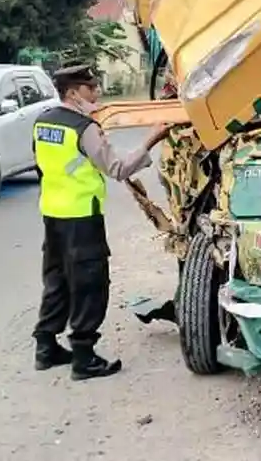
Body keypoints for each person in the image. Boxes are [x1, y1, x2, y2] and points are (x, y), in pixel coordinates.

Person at [32, 64, 171, 380]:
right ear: (73, 93)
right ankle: (84, 358)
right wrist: (151, 140)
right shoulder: (84, 129)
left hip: (53, 214)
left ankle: (46, 347)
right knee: (90, 285)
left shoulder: (43, 121)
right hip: (82, 217)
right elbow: (118, 168)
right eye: (90, 88)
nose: (96, 93)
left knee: (57, 281)